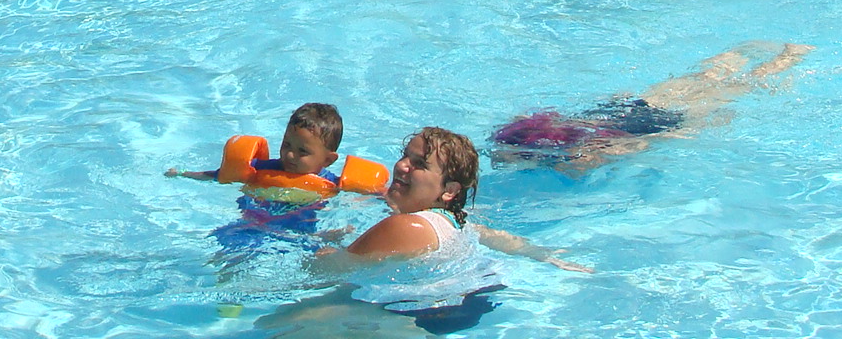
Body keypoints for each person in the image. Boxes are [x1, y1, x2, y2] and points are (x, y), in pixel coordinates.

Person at [301, 128, 588, 334]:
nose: (401, 166)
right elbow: (493, 236)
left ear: (449, 191)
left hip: (415, 315)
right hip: (469, 305)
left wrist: (324, 243)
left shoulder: (408, 226)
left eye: (419, 164)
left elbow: (322, 272)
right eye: (405, 156)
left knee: (276, 325)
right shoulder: (454, 221)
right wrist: (546, 255)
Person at [491, 43, 814, 174]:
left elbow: (618, 150)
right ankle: (744, 52)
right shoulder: (524, 130)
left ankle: (786, 60)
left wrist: (682, 136)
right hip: (625, 108)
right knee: (704, 78)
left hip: (649, 125)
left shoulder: (563, 160)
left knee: (737, 90)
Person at [168, 103, 386, 256]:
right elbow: (219, 176)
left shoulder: (332, 184)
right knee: (230, 253)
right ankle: (229, 305)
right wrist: (183, 173)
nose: (290, 155)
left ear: (328, 159)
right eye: (287, 145)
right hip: (252, 225)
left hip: (300, 234)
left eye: (302, 151)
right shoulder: (263, 169)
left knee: (321, 257)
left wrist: (387, 198)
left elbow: (371, 197)